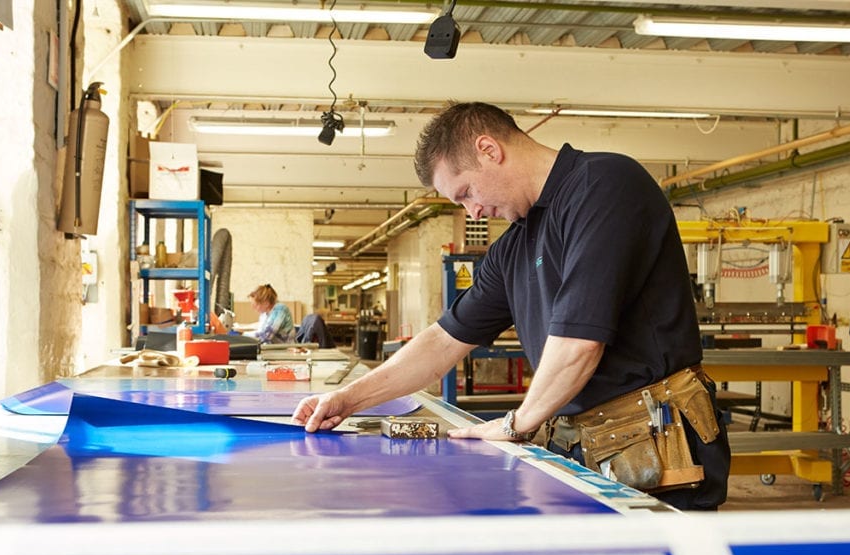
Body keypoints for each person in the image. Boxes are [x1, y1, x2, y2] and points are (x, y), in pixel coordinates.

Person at [293, 102, 731, 511]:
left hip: (656, 445)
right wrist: (349, 399)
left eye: (466, 192)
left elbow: (579, 344)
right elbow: (442, 343)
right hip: (583, 445)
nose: (474, 211)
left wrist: (512, 425)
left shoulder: (605, 186)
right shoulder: (514, 246)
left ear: (489, 150)